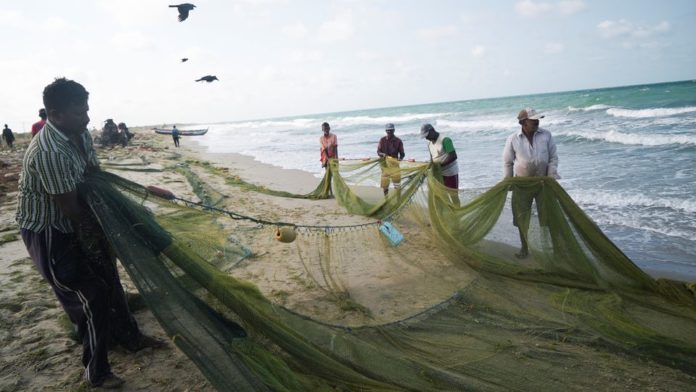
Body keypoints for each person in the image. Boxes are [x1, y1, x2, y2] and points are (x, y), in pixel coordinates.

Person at [15, 78, 163, 389]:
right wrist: (108, 232)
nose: (87, 117)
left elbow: (93, 176)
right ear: (54, 114)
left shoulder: (79, 135)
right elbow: (71, 210)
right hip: (49, 230)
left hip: (76, 218)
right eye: (79, 112)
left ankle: (130, 337)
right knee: (90, 295)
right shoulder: (49, 151)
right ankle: (96, 372)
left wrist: (132, 198)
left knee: (110, 277)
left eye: (87, 110)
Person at [502, 108, 560, 259]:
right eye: (532, 120)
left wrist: (551, 176)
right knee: (522, 217)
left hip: (543, 183)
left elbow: (553, 157)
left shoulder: (546, 135)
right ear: (523, 122)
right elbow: (507, 162)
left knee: (548, 216)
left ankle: (554, 249)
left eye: (537, 119)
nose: (536, 122)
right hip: (521, 184)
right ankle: (524, 248)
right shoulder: (513, 139)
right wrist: (508, 181)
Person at [420, 123, 459, 206]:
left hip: (450, 172)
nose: (426, 138)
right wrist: (427, 167)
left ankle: (457, 214)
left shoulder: (445, 140)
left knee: (453, 195)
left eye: (427, 135)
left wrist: (439, 166)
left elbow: (453, 156)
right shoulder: (429, 143)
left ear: (432, 130)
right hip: (438, 174)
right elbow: (432, 159)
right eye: (425, 136)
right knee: (441, 195)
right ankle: (448, 212)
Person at [377, 123, 405, 197]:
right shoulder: (382, 140)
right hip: (385, 166)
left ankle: (398, 200)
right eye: (388, 130)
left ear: (394, 130)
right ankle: (386, 199)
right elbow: (378, 152)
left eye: (391, 130)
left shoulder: (398, 141)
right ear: (386, 131)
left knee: (397, 185)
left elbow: (402, 153)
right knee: (385, 186)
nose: (389, 132)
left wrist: (400, 158)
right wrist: (383, 154)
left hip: (395, 166)